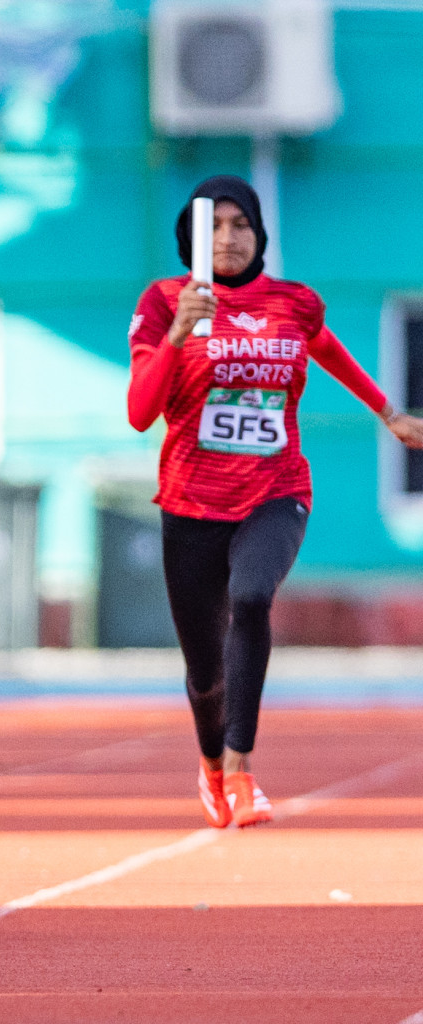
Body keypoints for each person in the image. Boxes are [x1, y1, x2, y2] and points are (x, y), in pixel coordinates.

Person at [128, 175, 423, 828]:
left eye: (242, 225)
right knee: (205, 674)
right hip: (190, 505)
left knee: (255, 596)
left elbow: (327, 350)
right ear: (191, 239)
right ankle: (210, 766)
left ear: (261, 235)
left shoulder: (294, 302)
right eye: (215, 227)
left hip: (275, 491)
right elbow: (138, 413)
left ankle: (240, 767)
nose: (229, 238)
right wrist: (178, 335)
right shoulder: (164, 302)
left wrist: (389, 412)